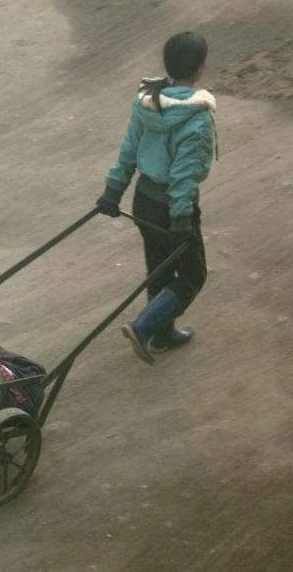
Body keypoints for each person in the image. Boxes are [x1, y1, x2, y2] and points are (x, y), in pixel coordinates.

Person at [95, 31, 216, 365]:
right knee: (191, 276)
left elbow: (129, 148)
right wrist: (180, 220)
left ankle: (163, 337)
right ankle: (144, 325)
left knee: (160, 269)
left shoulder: (148, 100)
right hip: (171, 207)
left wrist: (113, 191)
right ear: (200, 69)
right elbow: (183, 175)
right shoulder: (196, 118)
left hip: (143, 200)